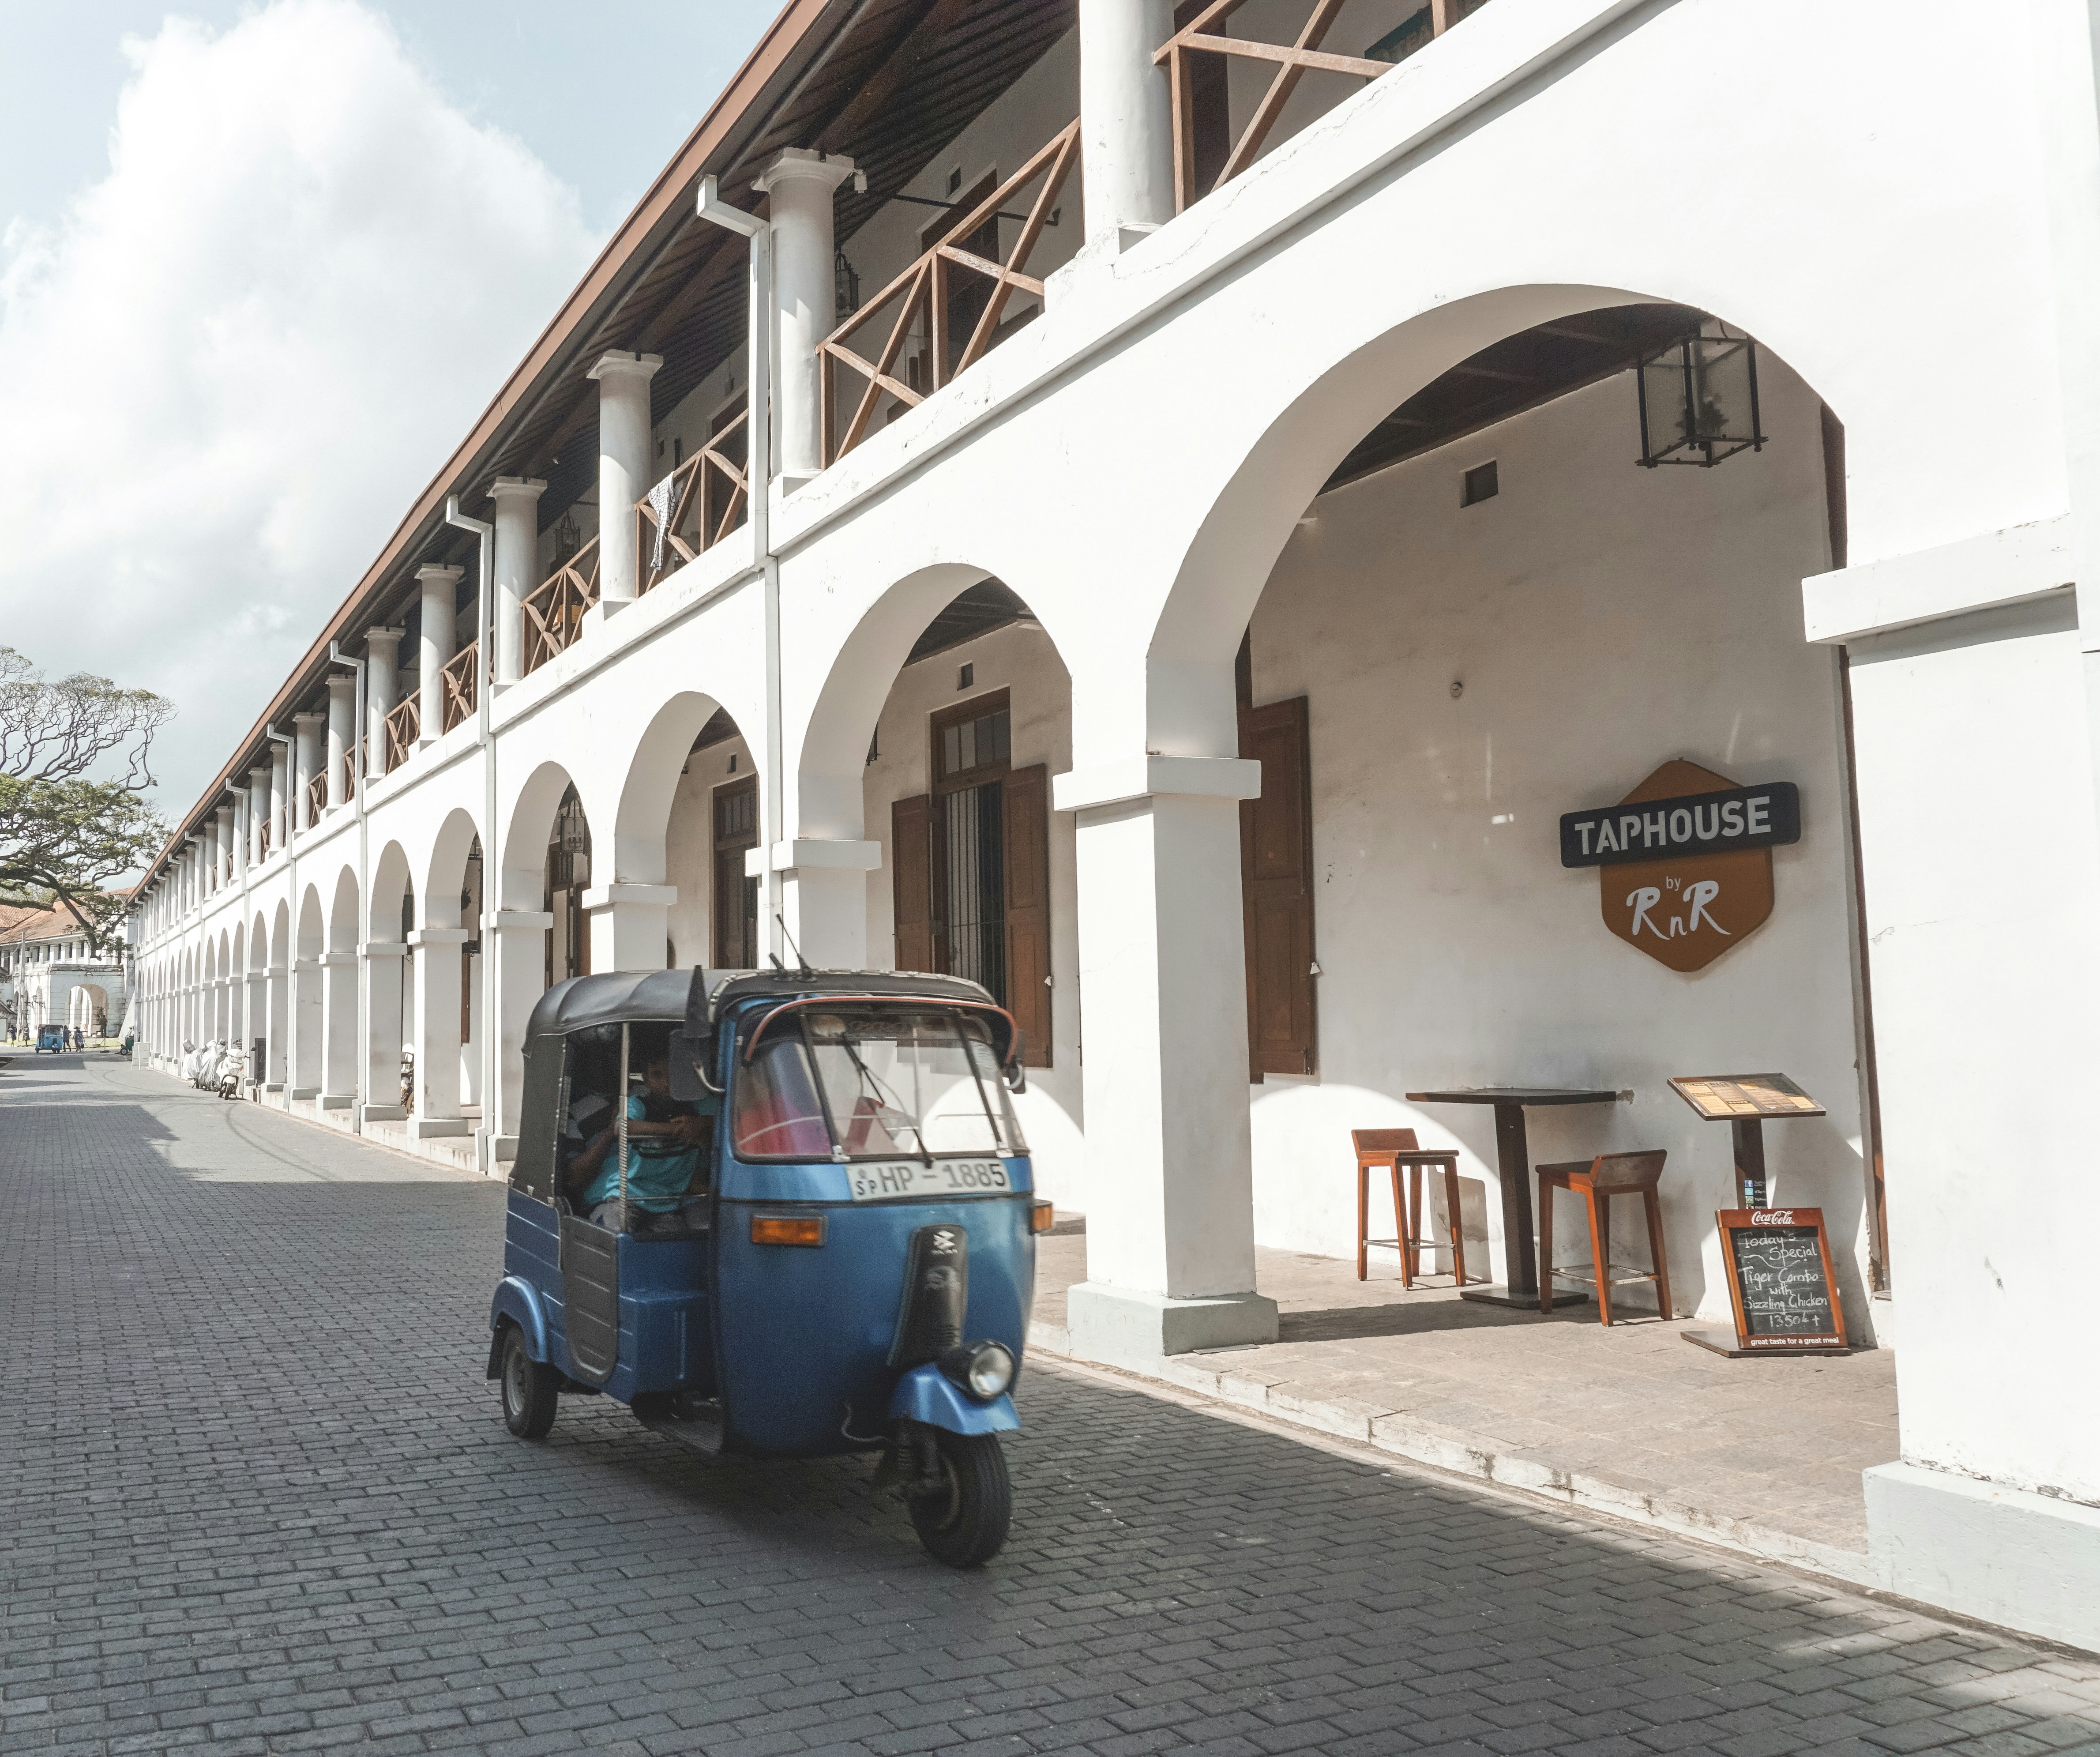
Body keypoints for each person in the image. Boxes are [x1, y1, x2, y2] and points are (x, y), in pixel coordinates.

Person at [564, 1052, 715, 1235]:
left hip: (664, 1201)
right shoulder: (638, 1104)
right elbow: (624, 1127)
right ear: (646, 1079)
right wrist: (677, 1130)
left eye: (672, 1075)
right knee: (617, 1232)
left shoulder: (696, 1106)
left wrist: (702, 1124)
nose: (666, 1083)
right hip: (623, 1196)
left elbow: (730, 1120)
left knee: (678, 1242)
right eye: (657, 1076)